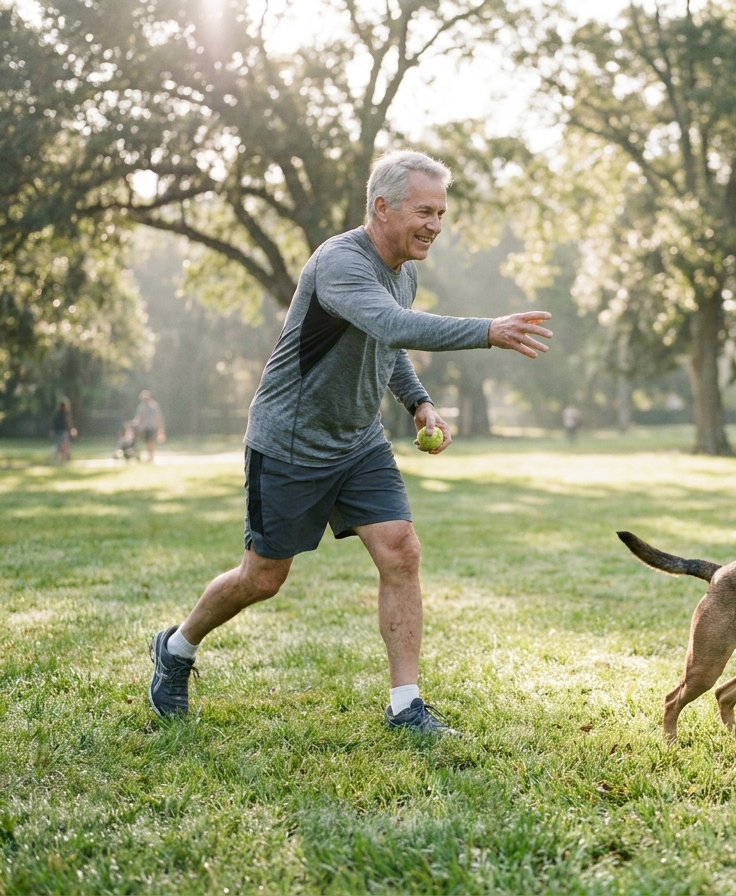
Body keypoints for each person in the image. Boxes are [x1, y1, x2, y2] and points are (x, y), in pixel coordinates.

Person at [148, 150, 553, 737]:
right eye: (424, 211)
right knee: (262, 578)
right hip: (291, 441)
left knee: (401, 550)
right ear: (381, 207)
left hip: (359, 440)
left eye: (441, 213)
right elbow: (391, 325)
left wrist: (418, 402)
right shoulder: (340, 263)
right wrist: (488, 331)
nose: (435, 225)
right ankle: (177, 649)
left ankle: (405, 706)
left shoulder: (404, 269)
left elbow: (386, 347)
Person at [132, 390, 165, 461]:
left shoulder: (154, 405)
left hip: (152, 426)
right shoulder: (141, 406)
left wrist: (159, 428)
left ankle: (151, 456)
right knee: (147, 441)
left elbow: (158, 417)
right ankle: (150, 454)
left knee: (149, 441)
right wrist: (136, 423)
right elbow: (139, 417)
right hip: (144, 427)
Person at [49, 398, 77, 464]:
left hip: (58, 432)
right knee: (65, 445)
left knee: (58, 445)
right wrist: (72, 430)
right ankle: (65, 458)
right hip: (63, 432)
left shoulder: (56, 414)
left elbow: (52, 423)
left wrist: (52, 431)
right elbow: (69, 423)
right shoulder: (66, 413)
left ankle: (56, 459)